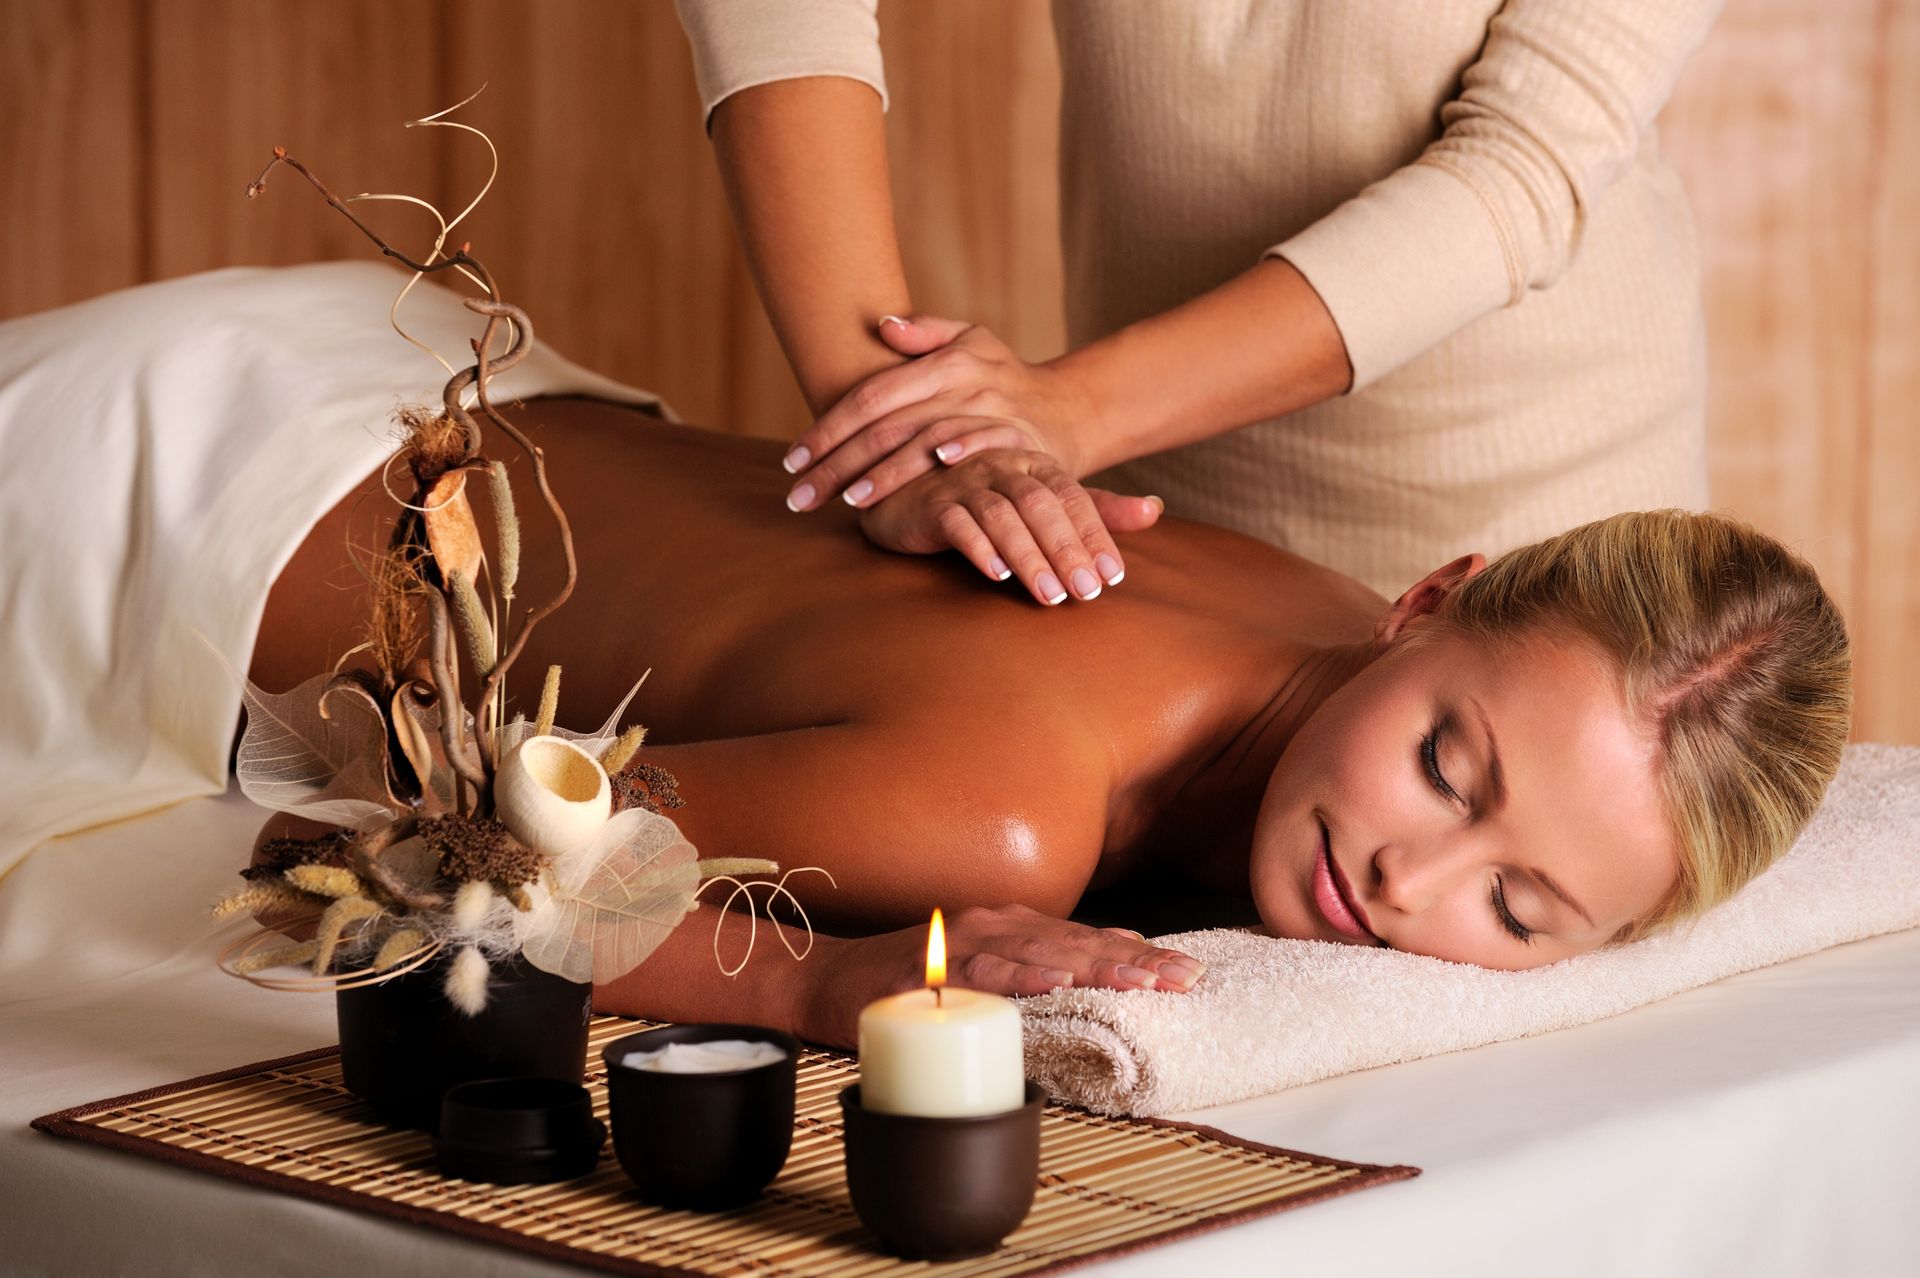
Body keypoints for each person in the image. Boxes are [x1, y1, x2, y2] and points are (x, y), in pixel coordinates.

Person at [250, 396, 1850, 1048]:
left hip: (486, 411)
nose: (1408, 879)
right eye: (1446, 765)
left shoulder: (1322, 618)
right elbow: (389, 865)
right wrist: (815, 977)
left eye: (1519, 905)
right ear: (1428, 598)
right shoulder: (1008, 810)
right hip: (243, 509)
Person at [672, 1, 1724, 608]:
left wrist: (1067, 410)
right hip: (1154, 531)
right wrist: (896, 426)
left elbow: (1520, 171)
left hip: (1540, 549)